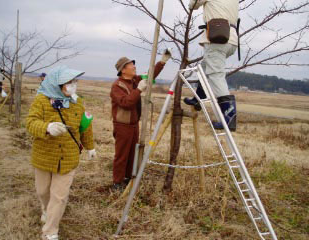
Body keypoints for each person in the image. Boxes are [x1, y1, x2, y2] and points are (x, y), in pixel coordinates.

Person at [26, 65, 96, 240]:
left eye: (74, 82)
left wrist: (90, 147)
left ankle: (50, 232)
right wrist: (47, 127)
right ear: (57, 85)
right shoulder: (42, 100)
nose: (73, 85)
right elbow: (30, 123)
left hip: (68, 157)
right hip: (44, 155)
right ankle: (45, 209)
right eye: (68, 82)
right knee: (43, 191)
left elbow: (85, 127)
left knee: (59, 196)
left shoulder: (77, 102)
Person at [110, 50, 171, 190]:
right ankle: (117, 182)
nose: (134, 67)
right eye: (132, 65)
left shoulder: (134, 80)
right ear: (123, 70)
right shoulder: (117, 87)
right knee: (121, 154)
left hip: (133, 124)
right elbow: (126, 103)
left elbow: (150, 76)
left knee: (132, 153)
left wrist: (162, 62)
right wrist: (138, 90)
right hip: (122, 126)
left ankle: (127, 178)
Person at [184, 0, 239, 131]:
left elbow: (193, 4)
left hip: (217, 37)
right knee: (204, 68)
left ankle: (229, 117)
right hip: (231, 40)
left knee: (216, 75)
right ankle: (198, 98)